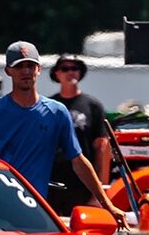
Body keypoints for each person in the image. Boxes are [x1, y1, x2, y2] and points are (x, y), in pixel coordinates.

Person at [0, 41, 125, 226]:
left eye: (30, 66)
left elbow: (78, 160)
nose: (26, 71)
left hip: (36, 213)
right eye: (19, 66)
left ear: (38, 69)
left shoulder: (56, 112)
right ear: (8, 71)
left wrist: (108, 205)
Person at [47, 53, 110, 214]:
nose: (70, 72)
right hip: (52, 180)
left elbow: (101, 148)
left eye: (75, 68)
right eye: (65, 68)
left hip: (81, 182)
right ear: (56, 74)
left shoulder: (92, 105)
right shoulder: (49, 105)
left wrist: (99, 190)